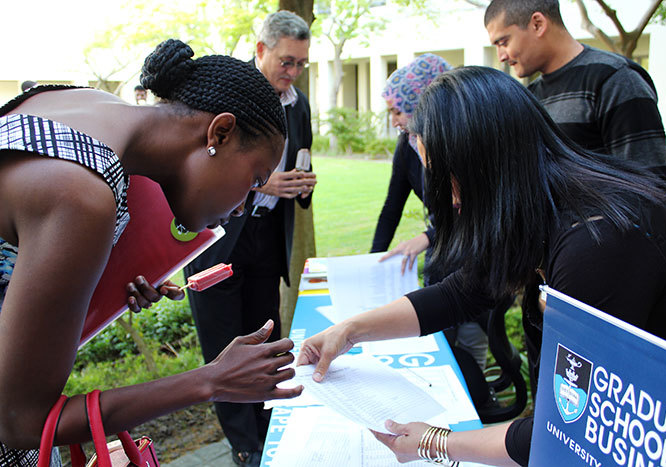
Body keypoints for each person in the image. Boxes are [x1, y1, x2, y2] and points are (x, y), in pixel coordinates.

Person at [298, 66, 666, 466]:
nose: (452, 202)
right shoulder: (544, 206)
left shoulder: (597, 245)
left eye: (447, 180)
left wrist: (435, 442)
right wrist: (350, 330)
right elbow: (463, 292)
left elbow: (567, 425)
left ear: (485, 166)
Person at [0, 39, 303, 466]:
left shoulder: (81, 105)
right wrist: (212, 380)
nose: (240, 208)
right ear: (219, 132)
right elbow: (22, 424)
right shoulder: (82, 195)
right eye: (255, 180)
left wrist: (101, 278)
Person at [183, 10, 316, 466]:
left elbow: (301, 156)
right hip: (217, 239)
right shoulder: (225, 90)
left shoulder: (299, 103)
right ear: (261, 50)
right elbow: (199, 166)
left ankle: (268, 427)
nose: (292, 71)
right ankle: (244, 447)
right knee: (224, 345)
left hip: (266, 238)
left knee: (264, 335)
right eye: (286, 61)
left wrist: (300, 186)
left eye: (300, 63)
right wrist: (263, 183)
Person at [370, 53, 491, 406]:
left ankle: (477, 403)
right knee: (443, 336)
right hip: (444, 258)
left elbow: (475, 210)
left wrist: (428, 236)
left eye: (396, 110)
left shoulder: (463, 141)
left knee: (472, 333)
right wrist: (372, 261)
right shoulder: (407, 145)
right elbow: (392, 204)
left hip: (474, 254)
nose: (393, 120)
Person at [484, 0, 666, 192]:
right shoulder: (530, 96)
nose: (501, 56)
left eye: (503, 42)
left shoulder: (614, 78)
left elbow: (651, 186)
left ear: (537, 24)